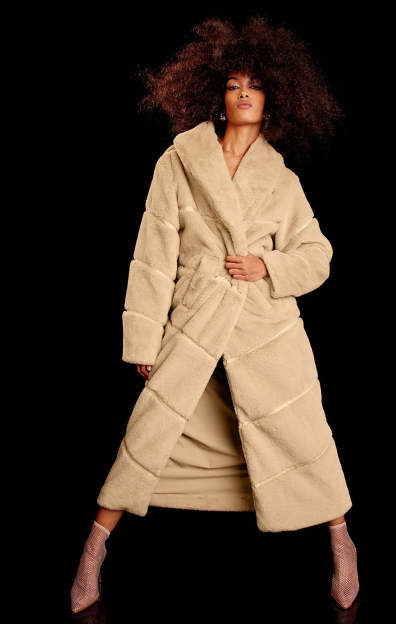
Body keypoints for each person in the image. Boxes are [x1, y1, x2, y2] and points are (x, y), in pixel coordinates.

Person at [70, 15, 359, 614]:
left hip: (266, 329)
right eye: (233, 84)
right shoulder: (178, 163)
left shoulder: (282, 180)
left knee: (302, 434)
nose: (244, 93)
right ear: (215, 95)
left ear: (276, 98)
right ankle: (94, 550)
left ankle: (341, 540)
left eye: (256, 84)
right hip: (196, 320)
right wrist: (144, 340)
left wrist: (267, 265)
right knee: (150, 434)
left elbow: (318, 255)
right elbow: (154, 256)